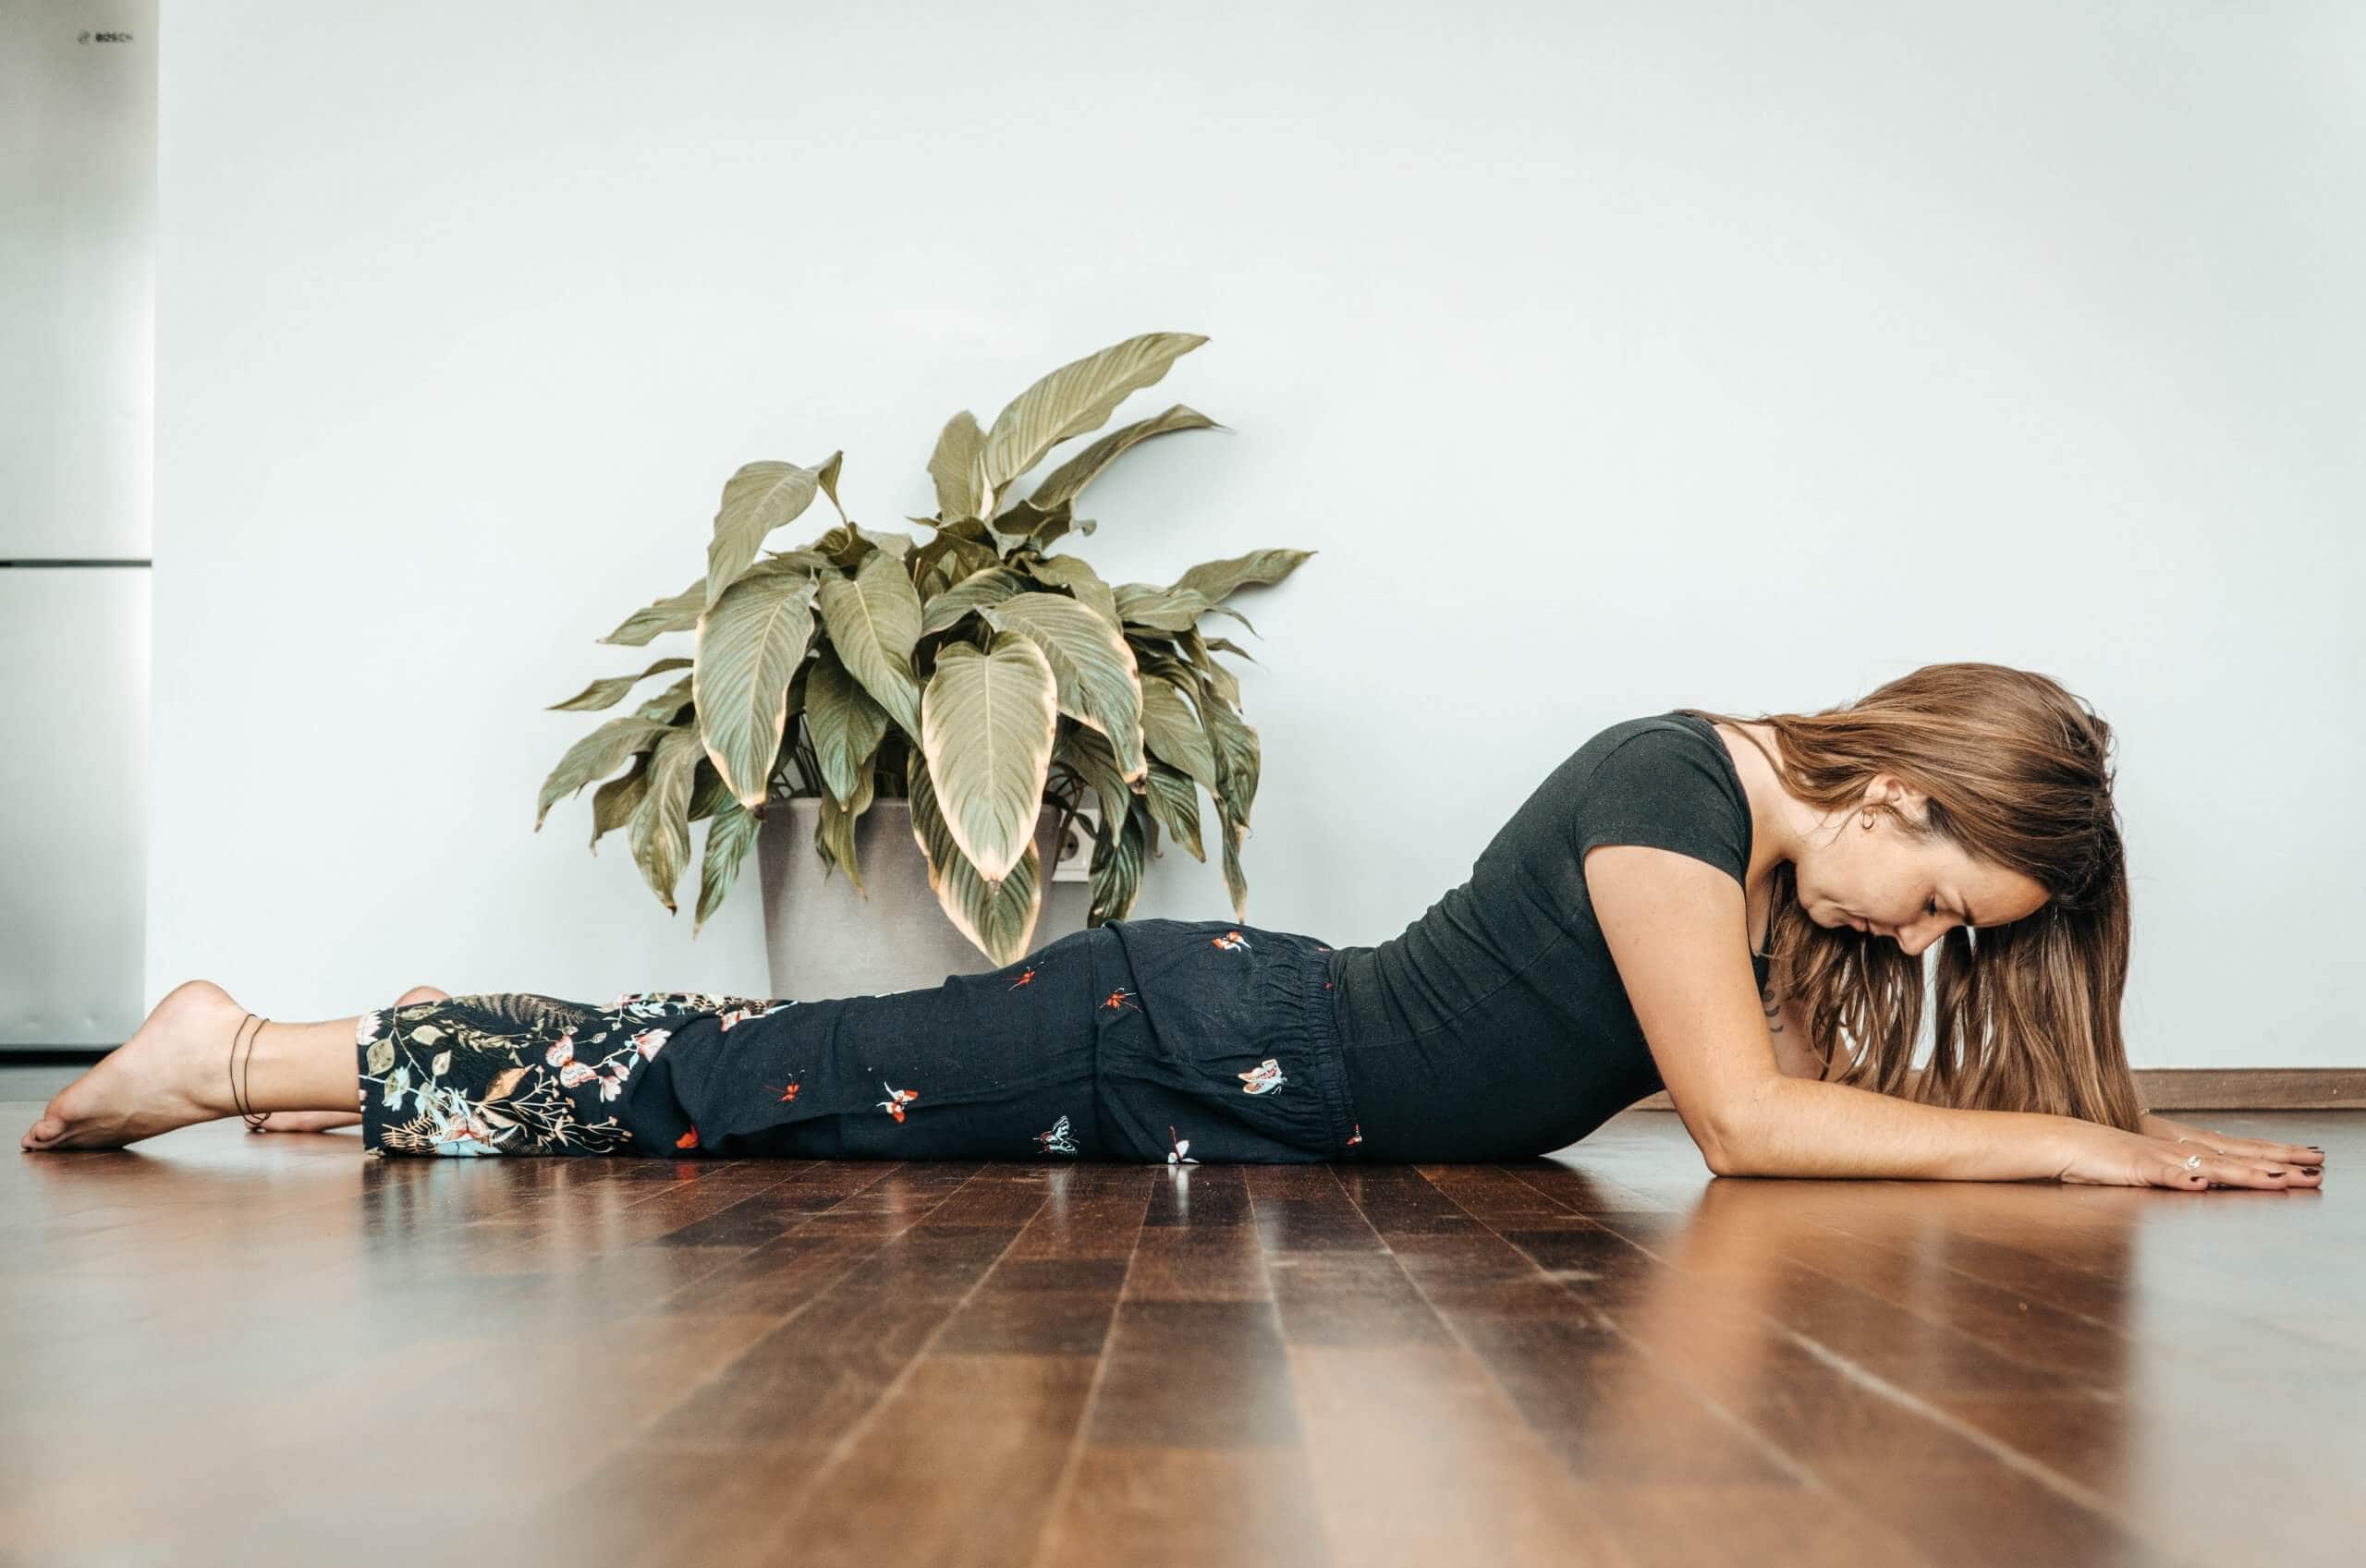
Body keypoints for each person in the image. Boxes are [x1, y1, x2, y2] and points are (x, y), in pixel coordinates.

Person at [18, 662, 2326, 1192]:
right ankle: (241, 1048)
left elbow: (1792, 1098)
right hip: (1171, 1037)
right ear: (1901, 789)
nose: (1919, 940)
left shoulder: (1727, 835)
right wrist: (2088, 1154)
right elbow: (1739, 1126)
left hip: (1220, 1069)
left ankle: (331, 1074)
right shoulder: (1670, 787)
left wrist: (2070, 1130)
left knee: (735, 1086)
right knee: (714, 1081)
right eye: (1939, 896)